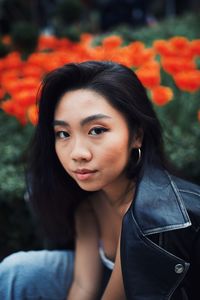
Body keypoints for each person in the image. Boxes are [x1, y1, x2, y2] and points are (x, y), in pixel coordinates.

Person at [0, 61, 200, 300]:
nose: (77, 153)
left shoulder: (147, 218)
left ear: (136, 135)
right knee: (16, 271)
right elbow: (84, 287)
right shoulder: (89, 207)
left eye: (96, 130)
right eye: (63, 134)